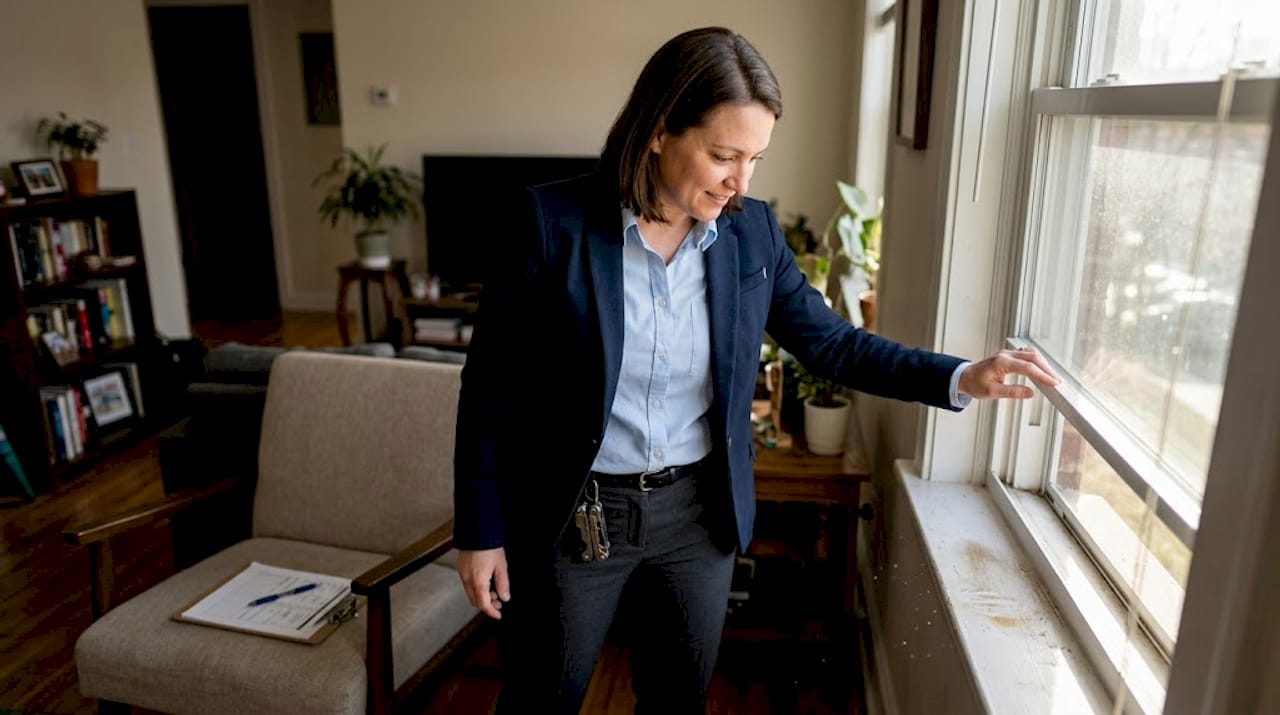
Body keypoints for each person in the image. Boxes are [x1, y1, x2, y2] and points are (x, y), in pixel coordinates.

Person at [454, 26, 1059, 714]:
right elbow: (489, 391)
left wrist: (959, 376)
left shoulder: (751, 234)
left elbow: (833, 344)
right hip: (577, 515)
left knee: (676, 700)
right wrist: (480, 531)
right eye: (722, 156)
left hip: (696, 518)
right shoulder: (550, 223)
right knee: (540, 700)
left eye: (755, 160)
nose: (740, 182)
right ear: (658, 132)